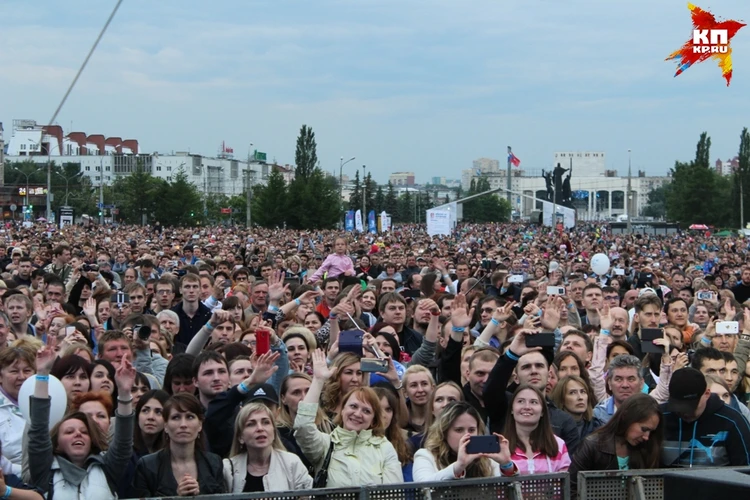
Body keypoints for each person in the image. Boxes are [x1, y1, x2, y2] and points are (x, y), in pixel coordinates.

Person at [28, 341, 136, 499]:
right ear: (56, 443)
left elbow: (123, 442)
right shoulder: (45, 469)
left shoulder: (107, 468)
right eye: (69, 431)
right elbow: (38, 429)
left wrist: (125, 392)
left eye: (84, 432)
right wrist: (43, 372)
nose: (78, 434)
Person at [293, 349, 403, 487]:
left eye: (366, 411)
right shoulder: (326, 444)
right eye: (353, 406)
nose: (357, 414)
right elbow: (303, 427)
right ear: (342, 410)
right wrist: (318, 380)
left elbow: (392, 493)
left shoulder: (385, 448)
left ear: (374, 419)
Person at [132, 393, 226, 496]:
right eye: (176, 417)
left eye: (190, 417)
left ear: (200, 424)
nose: (183, 425)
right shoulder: (147, 466)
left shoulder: (214, 463)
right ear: (166, 426)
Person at [569, 393, 664, 494]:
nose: (647, 437)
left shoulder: (649, 448)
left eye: (651, 432)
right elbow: (571, 490)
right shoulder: (591, 445)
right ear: (626, 417)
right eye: (644, 429)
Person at [661, 367, 750, 467]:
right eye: (678, 406)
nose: (684, 413)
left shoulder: (732, 421)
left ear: (707, 394)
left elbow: (746, 469)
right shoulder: (660, 416)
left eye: (691, 406)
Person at [413, 401, 517, 481]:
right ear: (444, 432)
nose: (467, 435)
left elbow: (512, 489)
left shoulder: (486, 459)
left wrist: (506, 464)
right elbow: (423, 487)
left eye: (472, 430)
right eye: (459, 430)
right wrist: (458, 467)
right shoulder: (425, 456)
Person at [222, 402, 312, 492]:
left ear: (274, 431)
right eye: (251, 424)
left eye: (266, 422)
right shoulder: (228, 469)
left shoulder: (292, 464)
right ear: (240, 437)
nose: (260, 428)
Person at [504, 385, 571, 474]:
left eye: (534, 402)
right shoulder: (501, 446)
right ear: (512, 409)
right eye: (520, 401)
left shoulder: (558, 445)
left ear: (542, 411)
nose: (527, 407)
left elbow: (564, 485)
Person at [551, 375, 603, 440]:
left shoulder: (596, 426)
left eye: (583, 392)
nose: (580, 397)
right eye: (572, 393)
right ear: (561, 399)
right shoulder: (553, 427)